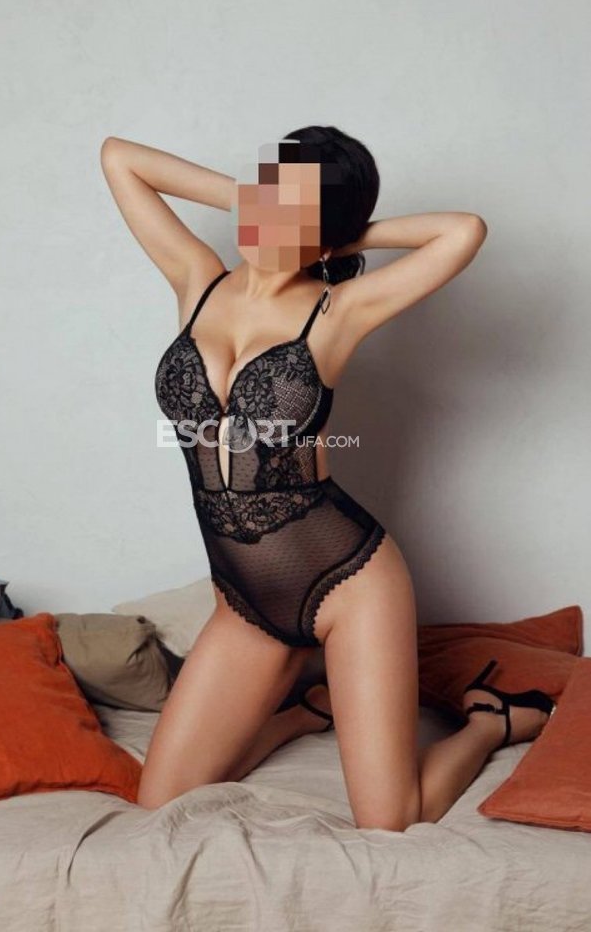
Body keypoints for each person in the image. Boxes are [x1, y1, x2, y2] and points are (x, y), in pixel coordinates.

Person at [101, 125, 555, 831]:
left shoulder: (338, 309)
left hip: (346, 580)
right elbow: (119, 158)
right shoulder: (197, 279)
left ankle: (491, 724)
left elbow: (462, 231)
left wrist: (341, 237)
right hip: (244, 600)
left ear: (325, 235)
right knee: (157, 803)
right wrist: (253, 198)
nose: (265, 221)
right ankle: (304, 712)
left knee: (389, 820)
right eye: (266, 196)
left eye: (295, 214)